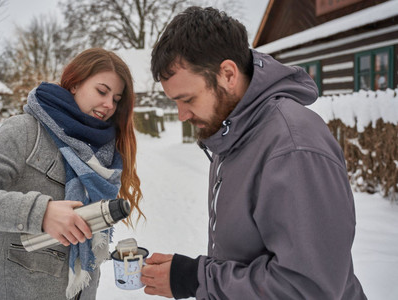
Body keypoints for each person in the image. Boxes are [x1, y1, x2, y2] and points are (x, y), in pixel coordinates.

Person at [140, 6, 366, 299]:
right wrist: (193, 275)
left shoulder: (292, 148)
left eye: (188, 98)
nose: (181, 114)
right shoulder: (233, 129)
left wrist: (197, 280)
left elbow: (308, 288)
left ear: (228, 74)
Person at [0, 48, 143, 300]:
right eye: (102, 91)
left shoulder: (104, 153)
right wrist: (40, 213)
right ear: (74, 84)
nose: (109, 105)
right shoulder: (25, 131)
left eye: (116, 98)